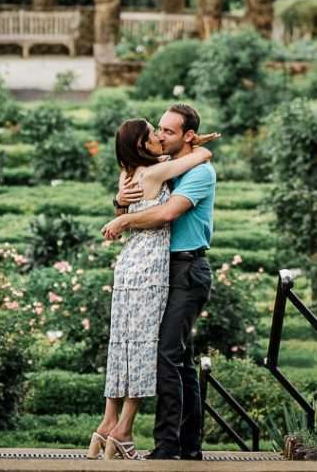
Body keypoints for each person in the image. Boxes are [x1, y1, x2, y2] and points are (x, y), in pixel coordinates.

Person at [87, 116, 218, 461]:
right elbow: (198, 155)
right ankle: (171, 444)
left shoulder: (183, 171)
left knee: (165, 355)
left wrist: (123, 215)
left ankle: (163, 443)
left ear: (185, 135)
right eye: (156, 131)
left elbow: (165, 214)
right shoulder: (164, 168)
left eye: (166, 131)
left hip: (183, 268)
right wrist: (120, 206)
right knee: (170, 356)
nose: (160, 136)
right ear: (143, 144)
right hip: (156, 266)